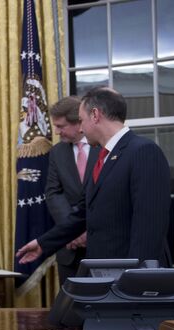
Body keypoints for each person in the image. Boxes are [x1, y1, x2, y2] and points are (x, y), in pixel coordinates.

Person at [17, 87, 171, 266]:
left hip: (131, 274)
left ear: (95, 115)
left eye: (81, 120)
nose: (81, 128)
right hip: (105, 271)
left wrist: (136, 278)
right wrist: (43, 243)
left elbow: (149, 225)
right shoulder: (104, 157)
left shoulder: (143, 151)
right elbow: (83, 214)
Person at [46, 96, 100, 284]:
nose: (56, 132)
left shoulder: (104, 148)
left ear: (79, 124)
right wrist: (73, 231)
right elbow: (53, 193)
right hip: (69, 248)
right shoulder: (57, 152)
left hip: (101, 246)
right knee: (69, 308)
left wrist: (87, 231)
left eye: (60, 126)